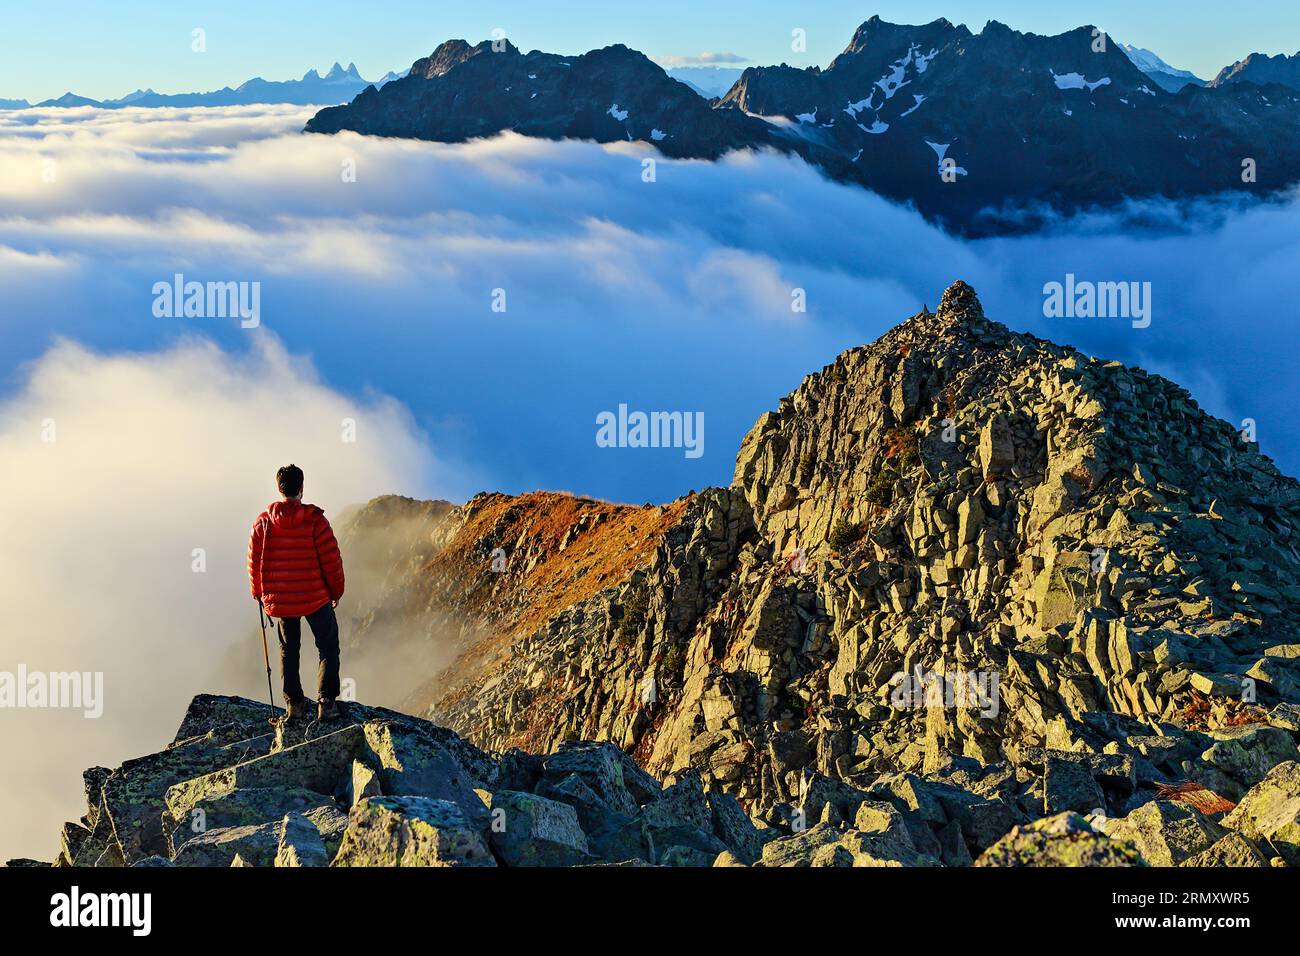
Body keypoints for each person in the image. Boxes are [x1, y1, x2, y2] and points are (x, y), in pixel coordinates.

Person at [247, 464, 346, 722]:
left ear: (279, 489)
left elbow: (254, 562)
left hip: (282, 601)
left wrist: (258, 593)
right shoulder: (315, 521)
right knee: (327, 647)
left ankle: (294, 705)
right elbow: (331, 559)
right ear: (302, 488)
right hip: (315, 597)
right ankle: (327, 703)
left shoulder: (264, 523)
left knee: (289, 650)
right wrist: (336, 591)